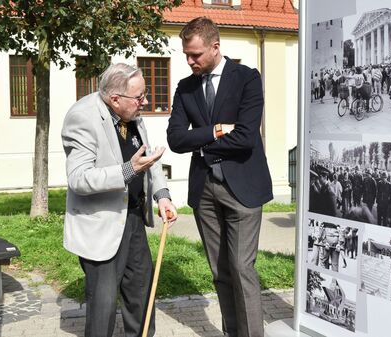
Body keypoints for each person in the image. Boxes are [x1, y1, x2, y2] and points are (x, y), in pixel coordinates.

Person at [166, 16, 273, 337]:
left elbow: (245, 138)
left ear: (215, 47)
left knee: (242, 268)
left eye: (195, 55)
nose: (189, 61)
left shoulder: (246, 79)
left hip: (243, 188)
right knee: (220, 271)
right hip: (204, 191)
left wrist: (199, 142)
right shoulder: (185, 87)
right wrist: (214, 131)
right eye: (186, 54)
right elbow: (174, 139)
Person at [61, 63, 177, 337]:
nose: (145, 102)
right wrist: (129, 170)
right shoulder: (82, 118)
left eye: (144, 94)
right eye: (140, 97)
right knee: (102, 310)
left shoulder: (132, 111)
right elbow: (78, 178)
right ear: (115, 99)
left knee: (141, 296)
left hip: (134, 219)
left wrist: (162, 195)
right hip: (101, 225)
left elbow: (148, 158)